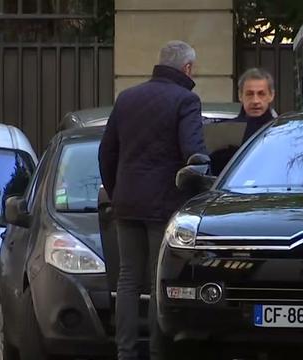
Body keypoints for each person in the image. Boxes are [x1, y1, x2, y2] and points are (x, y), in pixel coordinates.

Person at [98, 40, 207, 360]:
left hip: (127, 203)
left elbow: (107, 152)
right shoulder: (186, 100)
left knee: (129, 280)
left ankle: (125, 352)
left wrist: (117, 191)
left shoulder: (127, 98)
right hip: (165, 205)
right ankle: (159, 352)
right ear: (187, 68)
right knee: (159, 280)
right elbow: (194, 155)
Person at [237, 68, 277, 143]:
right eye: (249, 94)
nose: (255, 101)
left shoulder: (280, 132)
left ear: (271, 95)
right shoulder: (228, 132)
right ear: (240, 96)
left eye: (261, 94)